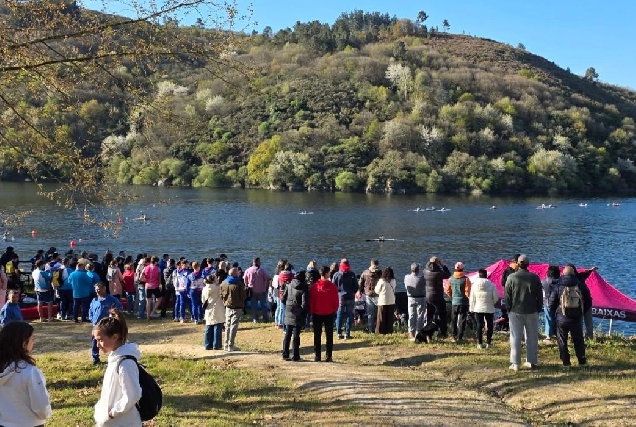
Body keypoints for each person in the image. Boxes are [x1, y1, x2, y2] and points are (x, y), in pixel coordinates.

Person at [93, 308, 143, 426]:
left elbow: (133, 394)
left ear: (115, 337)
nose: (97, 345)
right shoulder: (115, 358)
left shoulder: (125, 364)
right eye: (96, 340)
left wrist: (113, 412)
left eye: (100, 340)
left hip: (123, 422)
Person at [0, 322, 53, 426]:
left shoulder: (2, 367)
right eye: (32, 339)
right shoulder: (30, 372)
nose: (34, 342)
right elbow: (41, 406)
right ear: (24, 344)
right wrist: (47, 414)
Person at [504, 254, 543, 371]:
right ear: (528, 265)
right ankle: (531, 361)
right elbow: (540, 296)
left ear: (517, 264)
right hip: (532, 311)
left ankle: (515, 363)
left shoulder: (511, 277)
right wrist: (538, 308)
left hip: (515, 311)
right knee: (532, 337)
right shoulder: (535, 278)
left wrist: (508, 309)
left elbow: (507, 296)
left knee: (515, 337)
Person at [548, 266, 592, 368]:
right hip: (577, 318)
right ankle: (582, 361)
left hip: (561, 318)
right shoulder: (580, 285)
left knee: (562, 340)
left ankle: (566, 363)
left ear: (563, 274)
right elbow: (588, 301)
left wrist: (556, 313)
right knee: (578, 340)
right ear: (574, 274)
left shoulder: (558, 286)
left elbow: (551, 303)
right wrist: (581, 312)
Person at [89, 282, 123, 365]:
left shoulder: (112, 299)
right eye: (96, 290)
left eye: (99, 289)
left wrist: (112, 318)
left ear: (104, 289)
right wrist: (92, 320)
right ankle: (95, 357)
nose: (97, 291)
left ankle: (115, 356)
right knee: (95, 341)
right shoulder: (94, 300)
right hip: (97, 325)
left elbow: (119, 309)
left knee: (111, 340)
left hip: (108, 325)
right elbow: (90, 311)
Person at [309, 267, 339, 362]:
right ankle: (328, 356)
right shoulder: (332, 286)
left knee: (317, 335)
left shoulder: (314, 287)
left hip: (317, 313)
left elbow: (311, 300)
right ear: (326, 274)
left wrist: (312, 310)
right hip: (329, 313)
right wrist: (334, 309)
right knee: (329, 335)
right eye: (329, 273)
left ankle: (317, 355)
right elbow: (336, 300)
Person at [281, 270, 309, 361]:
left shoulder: (289, 285)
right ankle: (295, 355)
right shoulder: (303, 288)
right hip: (298, 312)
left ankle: (285, 354)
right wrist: (304, 313)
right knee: (296, 336)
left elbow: (283, 299)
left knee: (288, 334)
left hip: (289, 310)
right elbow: (304, 304)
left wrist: (289, 305)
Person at [469, 269, 499, 349]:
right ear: (486, 275)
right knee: (490, 325)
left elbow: (472, 298)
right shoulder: (492, 285)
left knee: (479, 325)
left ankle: (479, 343)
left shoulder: (474, 285)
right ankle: (488, 343)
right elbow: (496, 297)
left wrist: (471, 308)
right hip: (489, 307)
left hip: (478, 307)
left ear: (479, 275)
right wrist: (492, 303)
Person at [423, 257, 451, 340]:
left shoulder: (425, 271)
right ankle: (443, 333)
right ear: (437, 263)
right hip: (438, 296)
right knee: (442, 315)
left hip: (428, 296)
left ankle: (428, 334)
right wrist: (443, 265)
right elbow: (448, 274)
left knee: (429, 316)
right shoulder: (438, 272)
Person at [567, 263, 597, 339]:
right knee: (588, 322)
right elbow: (586, 273)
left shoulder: (568, 281)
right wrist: (591, 270)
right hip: (587, 301)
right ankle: (589, 337)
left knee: (577, 321)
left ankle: (576, 336)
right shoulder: (581, 276)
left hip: (576, 304)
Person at [220, 267, 247, 351]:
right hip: (237, 306)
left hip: (228, 306)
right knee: (233, 326)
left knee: (227, 325)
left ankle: (226, 344)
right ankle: (230, 345)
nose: (239, 273)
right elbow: (243, 296)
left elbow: (221, 294)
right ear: (235, 274)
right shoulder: (238, 283)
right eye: (237, 272)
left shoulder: (224, 282)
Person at [444, 262, 471, 342]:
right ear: (462, 269)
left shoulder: (450, 279)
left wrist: (452, 296)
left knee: (454, 319)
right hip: (463, 302)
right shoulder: (466, 279)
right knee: (462, 319)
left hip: (454, 302)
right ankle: (460, 337)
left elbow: (447, 290)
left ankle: (453, 336)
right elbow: (467, 292)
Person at [332, 258, 357, 340]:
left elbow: (333, 286)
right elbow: (356, 287)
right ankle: (347, 333)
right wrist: (352, 292)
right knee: (349, 315)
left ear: (341, 264)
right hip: (350, 297)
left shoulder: (336, 274)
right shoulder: (352, 274)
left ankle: (339, 333)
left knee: (339, 315)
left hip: (340, 297)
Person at [203, 270, 227, 350]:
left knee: (209, 326)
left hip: (209, 309)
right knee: (218, 326)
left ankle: (207, 344)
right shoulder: (217, 288)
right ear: (213, 280)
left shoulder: (205, 289)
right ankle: (216, 345)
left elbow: (203, 300)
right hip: (218, 308)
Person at [358, 259, 381, 333]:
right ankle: (379, 328)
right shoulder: (380, 273)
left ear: (371, 264)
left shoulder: (365, 273)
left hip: (368, 295)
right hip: (377, 295)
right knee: (380, 313)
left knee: (370, 314)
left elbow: (360, 283)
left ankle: (371, 330)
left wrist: (360, 291)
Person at [243, 257, 269, 323]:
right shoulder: (262, 270)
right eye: (259, 261)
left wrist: (247, 285)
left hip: (252, 290)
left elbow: (245, 279)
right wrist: (266, 288)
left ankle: (255, 319)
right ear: (257, 262)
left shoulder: (248, 270)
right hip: (262, 290)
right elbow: (267, 279)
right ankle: (265, 319)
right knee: (264, 305)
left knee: (254, 306)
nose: (260, 262)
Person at [405, 263, 426, 341]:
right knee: (420, 315)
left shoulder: (406, 277)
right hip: (421, 298)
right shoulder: (422, 278)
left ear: (411, 269)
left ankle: (411, 332)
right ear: (418, 270)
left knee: (411, 315)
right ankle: (418, 332)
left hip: (411, 298)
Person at [69, 258, 94, 323]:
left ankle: (75, 318)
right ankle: (83, 318)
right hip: (84, 293)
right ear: (81, 267)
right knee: (84, 306)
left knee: (75, 306)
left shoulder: (72, 274)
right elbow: (89, 281)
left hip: (75, 293)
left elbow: (69, 281)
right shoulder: (84, 274)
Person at [374, 267, 396, 334]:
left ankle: (380, 331)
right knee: (389, 317)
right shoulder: (393, 280)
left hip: (382, 301)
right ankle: (389, 331)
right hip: (391, 301)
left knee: (381, 317)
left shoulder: (381, 281)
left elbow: (377, 291)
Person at [541, 265, 560, 343]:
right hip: (558, 304)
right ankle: (557, 334)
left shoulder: (543, 282)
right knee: (558, 319)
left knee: (548, 319)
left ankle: (548, 336)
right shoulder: (560, 282)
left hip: (547, 303)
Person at [142, 256, 163, 320]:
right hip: (155, 286)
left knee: (148, 301)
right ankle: (152, 312)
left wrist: (146, 280)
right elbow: (159, 278)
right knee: (159, 299)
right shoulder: (158, 268)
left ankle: (148, 316)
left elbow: (141, 277)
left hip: (147, 286)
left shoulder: (145, 267)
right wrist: (160, 285)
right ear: (156, 262)